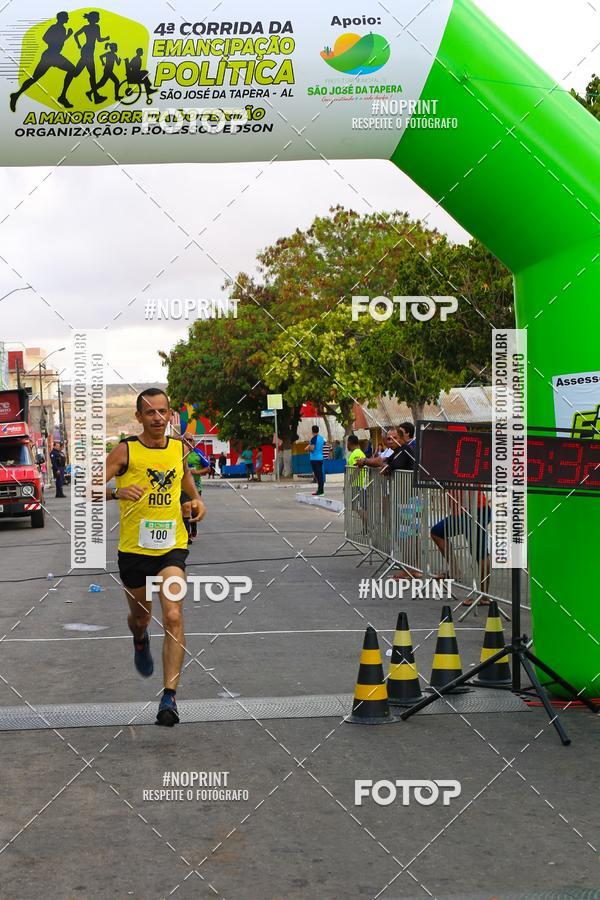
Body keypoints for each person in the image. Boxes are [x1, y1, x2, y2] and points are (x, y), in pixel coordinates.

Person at [105, 388, 205, 727]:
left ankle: (169, 697)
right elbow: (85, 486)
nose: (158, 418)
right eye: (150, 412)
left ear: (170, 415)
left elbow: (185, 479)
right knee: (141, 618)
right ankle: (139, 638)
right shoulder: (125, 450)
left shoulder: (178, 449)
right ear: (139, 417)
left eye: (163, 411)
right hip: (134, 552)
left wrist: (197, 501)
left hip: (172, 548)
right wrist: (117, 491)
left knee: (173, 615)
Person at [10, 12, 75, 111]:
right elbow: (45, 38)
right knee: (35, 78)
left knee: (72, 70)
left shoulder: (62, 28)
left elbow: (59, 41)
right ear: (62, 18)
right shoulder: (55, 27)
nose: (68, 18)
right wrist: (66, 36)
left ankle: (62, 96)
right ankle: (16, 95)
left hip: (54, 55)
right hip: (50, 55)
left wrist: (67, 36)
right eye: (66, 17)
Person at [61, 11, 110, 107]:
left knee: (82, 73)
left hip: (87, 50)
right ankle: (94, 96)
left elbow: (78, 35)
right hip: (87, 52)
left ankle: (95, 96)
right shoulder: (94, 27)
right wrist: (78, 44)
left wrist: (79, 44)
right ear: (94, 18)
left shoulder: (89, 27)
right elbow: (98, 39)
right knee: (85, 74)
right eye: (98, 17)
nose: (99, 18)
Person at [182, 436, 210, 544]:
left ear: (194, 442)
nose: (188, 442)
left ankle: (193, 528)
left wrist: (197, 472)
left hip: (196, 487)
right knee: (186, 507)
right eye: (186, 440)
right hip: (182, 487)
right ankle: (186, 534)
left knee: (194, 509)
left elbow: (208, 468)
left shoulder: (199, 453)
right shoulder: (179, 452)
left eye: (190, 440)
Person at [347, 434, 367, 528]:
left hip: (359, 484)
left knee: (360, 507)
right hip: (358, 484)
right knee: (359, 507)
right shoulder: (357, 453)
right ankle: (366, 527)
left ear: (349, 443)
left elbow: (358, 469)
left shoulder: (357, 453)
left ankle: (369, 525)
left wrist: (350, 481)